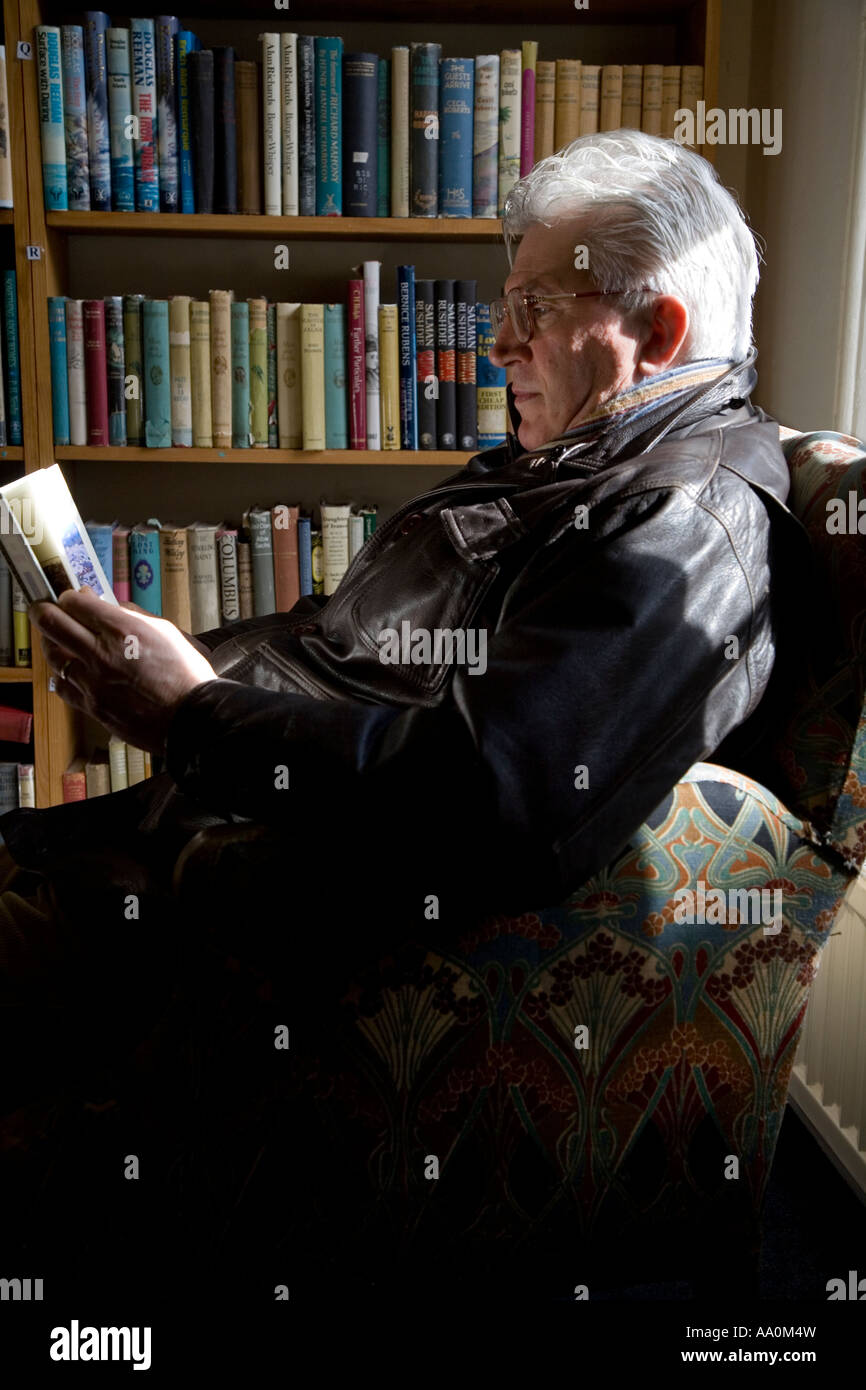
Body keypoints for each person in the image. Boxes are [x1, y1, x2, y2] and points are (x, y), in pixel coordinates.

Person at [0, 128, 808, 1020]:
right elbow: (350, 652)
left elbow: (500, 792)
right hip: (159, 839)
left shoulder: (683, 523)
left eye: (534, 307)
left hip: (222, 910)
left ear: (656, 330)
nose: (497, 346)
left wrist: (194, 714)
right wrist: (159, 664)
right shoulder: (574, 460)